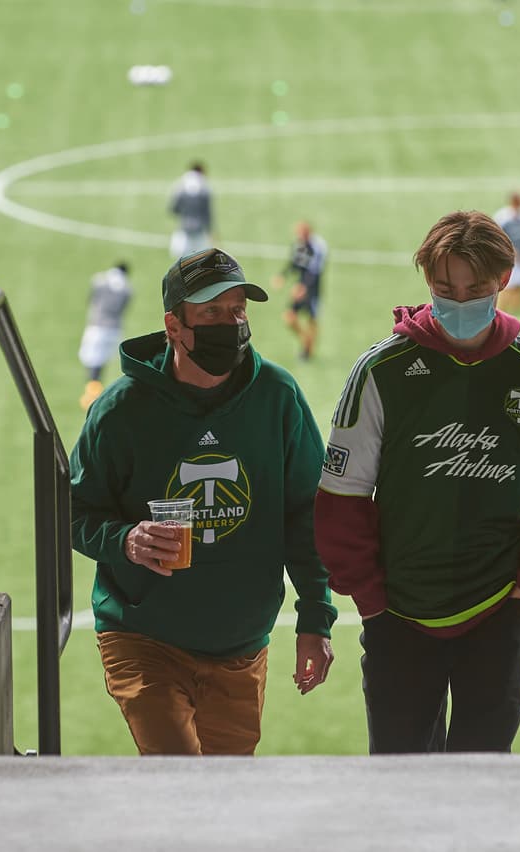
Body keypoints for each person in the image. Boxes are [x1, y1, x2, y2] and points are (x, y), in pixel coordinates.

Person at [314, 210, 520, 754]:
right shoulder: (381, 372)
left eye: (476, 289)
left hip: (500, 618)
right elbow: (341, 504)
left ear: (503, 283)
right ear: (426, 282)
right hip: (397, 617)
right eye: (445, 288)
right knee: (402, 790)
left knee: (483, 788)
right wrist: (372, 603)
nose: (459, 302)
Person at [70, 247, 337, 756]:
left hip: (241, 644)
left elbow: (308, 514)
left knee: (221, 801)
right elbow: (71, 510)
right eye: (211, 312)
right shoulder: (120, 411)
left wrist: (315, 619)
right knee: (179, 778)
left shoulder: (278, 397)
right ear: (175, 325)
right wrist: (123, 540)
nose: (231, 323)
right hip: (142, 636)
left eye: (238, 310)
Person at [78, 261, 133, 411]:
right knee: (101, 363)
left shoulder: (99, 281)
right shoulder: (127, 289)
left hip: (97, 326)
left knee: (91, 362)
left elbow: (91, 300)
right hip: (114, 330)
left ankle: (91, 396)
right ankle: (94, 393)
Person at [271, 220, 328, 361]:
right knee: (289, 316)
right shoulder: (299, 245)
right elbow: (295, 263)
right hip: (301, 286)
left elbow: (315, 271)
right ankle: (306, 341)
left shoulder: (318, 247)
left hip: (313, 288)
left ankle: (307, 351)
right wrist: (282, 276)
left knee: (312, 319)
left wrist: (304, 287)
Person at [492, 192, 520, 321]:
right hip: (508, 258)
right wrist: (510, 250)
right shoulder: (503, 217)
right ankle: (500, 313)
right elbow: (497, 237)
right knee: (507, 287)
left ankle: (515, 316)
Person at [168, 161, 213, 258]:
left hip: (185, 228)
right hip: (199, 230)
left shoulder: (180, 185)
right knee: (200, 260)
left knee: (182, 261)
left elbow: (174, 209)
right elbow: (207, 213)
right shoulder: (204, 187)